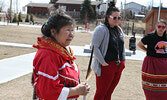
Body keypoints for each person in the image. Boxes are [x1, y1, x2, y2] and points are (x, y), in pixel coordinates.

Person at [32, 9, 90, 100]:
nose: (72, 35)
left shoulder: (63, 52)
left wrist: (78, 86)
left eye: (72, 30)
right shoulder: (47, 55)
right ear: (53, 32)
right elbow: (49, 91)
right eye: (68, 30)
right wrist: (77, 90)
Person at [91, 1, 125, 100]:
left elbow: (122, 46)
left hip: (118, 66)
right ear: (107, 17)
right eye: (114, 18)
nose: (117, 20)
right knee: (101, 93)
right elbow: (94, 47)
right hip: (106, 66)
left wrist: (123, 62)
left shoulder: (119, 29)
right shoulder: (101, 29)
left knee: (109, 93)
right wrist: (103, 62)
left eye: (119, 17)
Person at [137, 19, 167, 100]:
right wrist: (147, 51)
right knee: (150, 87)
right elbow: (139, 44)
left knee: (164, 90)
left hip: (164, 65)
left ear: (165, 28)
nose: (161, 28)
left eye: (163, 27)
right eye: (159, 26)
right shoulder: (150, 37)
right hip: (151, 64)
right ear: (156, 27)